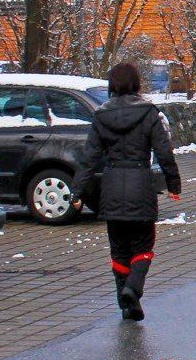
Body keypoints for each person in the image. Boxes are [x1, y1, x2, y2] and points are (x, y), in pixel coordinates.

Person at [76, 62, 182, 321]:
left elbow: (88, 158)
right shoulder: (148, 113)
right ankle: (132, 290)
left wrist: (76, 192)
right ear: (136, 83)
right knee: (143, 245)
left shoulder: (101, 116)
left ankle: (125, 305)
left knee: (119, 250)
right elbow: (164, 152)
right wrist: (173, 184)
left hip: (112, 187)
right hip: (141, 186)